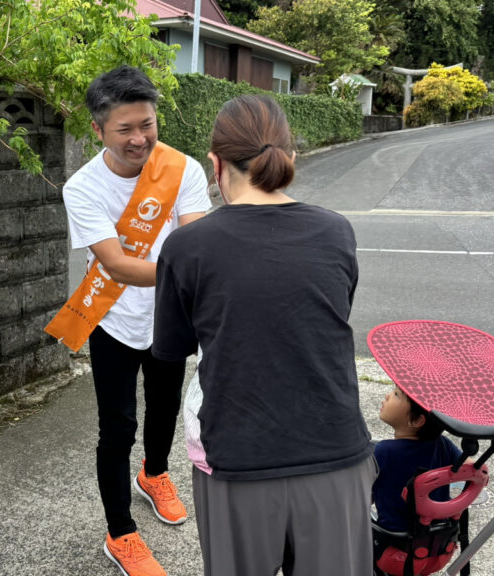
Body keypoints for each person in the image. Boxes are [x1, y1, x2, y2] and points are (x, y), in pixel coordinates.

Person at [152, 94, 375, 576]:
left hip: (238, 457)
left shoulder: (187, 247)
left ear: (215, 163)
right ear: (290, 157)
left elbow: (171, 351)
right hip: (336, 454)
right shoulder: (337, 231)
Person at [44, 65, 211, 576]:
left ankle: (155, 474)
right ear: (98, 130)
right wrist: (184, 273)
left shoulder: (183, 170)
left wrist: (190, 277)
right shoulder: (82, 187)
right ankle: (120, 533)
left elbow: (198, 247)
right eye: (125, 129)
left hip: (171, 319)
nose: (140, 138)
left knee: (164, 410)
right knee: (116, 428)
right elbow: (115, 264)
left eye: (148, 124)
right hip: (112, 321)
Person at [372, 385, 463, 533]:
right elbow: (471, 468)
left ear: (417, 421)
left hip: (392, 538)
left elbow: (361, 492)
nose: (387, 396)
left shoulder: (384, 451)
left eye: (396, 395)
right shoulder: (442, 444)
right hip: (435, 537)